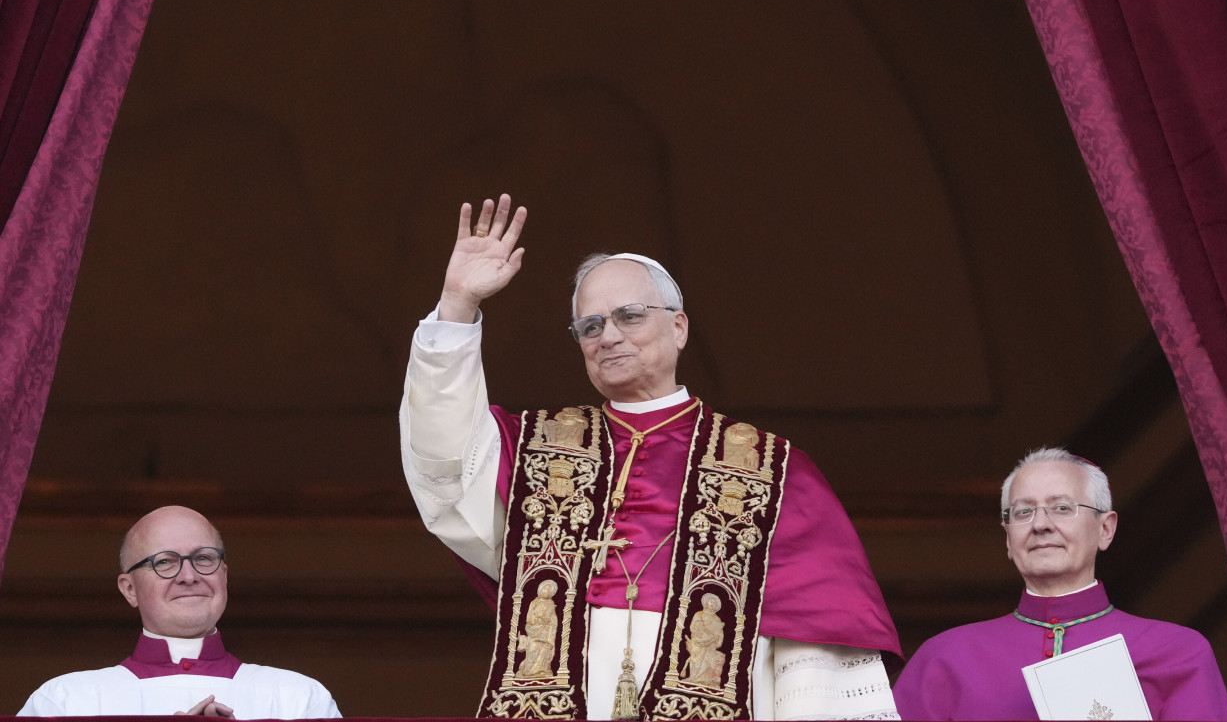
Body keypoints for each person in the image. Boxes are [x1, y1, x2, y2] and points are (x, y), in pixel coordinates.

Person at [399, 194, 902, 720]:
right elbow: (446, 456)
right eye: (590, 326)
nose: (608, 336)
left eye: (629, 316)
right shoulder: (540, 452)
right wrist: (458, 306)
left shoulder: (772, 470)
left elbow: (815, 647)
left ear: (679, 327)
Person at [892, 447, 1227, 721]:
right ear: (1008, 539)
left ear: (1105, 529)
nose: (1041, 524)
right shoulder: (945, 659)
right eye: (1023, 512)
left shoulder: (1177, 652)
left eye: (1061, 507)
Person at [18, 506, 340, 718]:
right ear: (129, 589)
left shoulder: (298, 700)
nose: (189, 576)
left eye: (203, 558)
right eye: (165, 562)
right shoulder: (64, 703)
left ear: (223, 576)